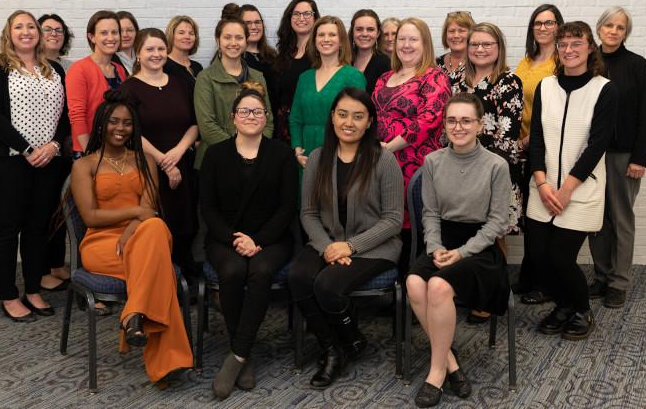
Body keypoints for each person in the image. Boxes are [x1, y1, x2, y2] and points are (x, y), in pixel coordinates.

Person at [72, 90, 193, 384]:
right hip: (101, 245)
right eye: (113, 121)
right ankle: (167, 359)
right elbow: (90, 217)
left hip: (142, 237)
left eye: (127, 123)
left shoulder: (144, 160)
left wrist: (133, 226)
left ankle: (133, 316)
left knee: (153, 229)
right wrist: (136, 213)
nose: (120, 128)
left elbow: (150, 210)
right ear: (101, 124)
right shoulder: (84, 165)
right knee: (160, 266)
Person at [288, 88, 404, 389]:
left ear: (369, 122)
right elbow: (309, 213)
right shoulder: (317, 158)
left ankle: (341, 347)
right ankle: (338, 345)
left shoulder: (383, 159)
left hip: (374, 247)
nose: (348, 122)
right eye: (342, 114)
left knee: (327, 285)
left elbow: (393, 220)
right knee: (299, 277)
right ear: (332, 117)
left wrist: (350, 246)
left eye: (357, 116)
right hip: (326, 241)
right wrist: (329, 248)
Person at [406, 92, 512, 408]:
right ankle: (451, 360)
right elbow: (431, 213)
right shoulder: (433, 162)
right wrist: (436, 247)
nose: (459, 126)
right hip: (443, 241)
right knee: (413, 283)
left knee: (437, 286)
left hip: (480, 249)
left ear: (480, 125)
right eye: (452, 120)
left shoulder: (497, 165)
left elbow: (497, 223)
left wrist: (462, 252)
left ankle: (436, 372)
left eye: (466, 120)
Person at [200, 83, 297, 399]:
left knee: (259, 271)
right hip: (223, 238)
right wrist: (234, 239)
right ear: (233, 118)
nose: (251, 116)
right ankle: (241, 350)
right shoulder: (215, 155)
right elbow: (208, 208)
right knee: (231, 272)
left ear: (266, 117)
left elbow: (287, 207)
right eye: (245, 111)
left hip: (272, 239)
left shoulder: (281, 154)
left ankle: (238, 354)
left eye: (258, 111)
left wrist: (257, 240)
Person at [0, 10, 70, 321]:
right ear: (9, 33)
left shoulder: (54, 69)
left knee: (37, 229)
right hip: (7, 162)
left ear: (39, 34)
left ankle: (32, 289)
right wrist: (28, 148)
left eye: (31, 26)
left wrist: (54, 146)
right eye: (19, 26)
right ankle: (7, 294)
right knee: (7, 229)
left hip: (48, 162)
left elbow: (67, 115)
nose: (26, 31)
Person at [527, 21, 617, 341]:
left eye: (576, 44)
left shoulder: (604, 89)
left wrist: (566, 191)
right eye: (563, 44)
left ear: (590, 47)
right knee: (538, 257)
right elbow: (536, 140)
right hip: (543, 186)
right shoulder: (546, 87)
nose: (568, 50)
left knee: (560, 257)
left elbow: (597, 146)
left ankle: (581, 309)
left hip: (581, 189)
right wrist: (542, 184)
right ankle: (564, 305)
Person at [452, 22, 524, 323]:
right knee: (467, 231)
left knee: (494, 234)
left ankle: (493, 297)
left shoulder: (508, 81)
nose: (480, 49)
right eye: (475, 44)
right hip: (457, 168)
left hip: (495, 169)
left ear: (498, 48)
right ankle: (469, 289)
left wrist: (481, 172)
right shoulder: (457, 79)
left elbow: (508, 133)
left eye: (487, 44)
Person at [588, 7, 646, 309]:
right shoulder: (589, 64)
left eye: (620, 27)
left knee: (621, 218)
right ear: (599, 28)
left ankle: (619, 282)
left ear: (625, 33)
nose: (614, 31)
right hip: (592, 154)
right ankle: (601, 276)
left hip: (623, 155)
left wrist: (640, 158)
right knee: (595, 219)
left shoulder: (637, 65)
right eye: (609, 25)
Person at [372, 17, 451, 274]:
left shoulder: (434, 76)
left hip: (415, 165)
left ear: (425, 43)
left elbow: (428, 119)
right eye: (401, 39)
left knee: (415, 227)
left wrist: (389, 148)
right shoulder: (384, 77)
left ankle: (416, 290)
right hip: (381, 163)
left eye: (413, 39)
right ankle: (391, 286)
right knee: (386, 222)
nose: (406, 45)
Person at [119, 28, 199, 277]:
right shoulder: (129, 89)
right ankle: (160, 283)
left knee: (186, 227)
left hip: (183, 163)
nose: (156, 54)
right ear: (138, 54)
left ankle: (184, 286)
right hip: (149, 169)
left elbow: (195, 124)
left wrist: (178, 151)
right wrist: (164, 161)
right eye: (150, 49)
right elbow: (130, 131)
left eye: (161, 49)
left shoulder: (179, 83)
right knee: (157, 226)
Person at [513, 4, 564, 305]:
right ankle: (529, 275)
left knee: (542, 216)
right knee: (530, 216)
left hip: (543, 145)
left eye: (549, 22)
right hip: (521, 148)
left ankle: (545, 283)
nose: (543, 28)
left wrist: (531, 137)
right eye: (538, 23)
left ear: (559, 26)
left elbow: (556, 108)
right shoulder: (526, 61)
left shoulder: (561, 61)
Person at [193, 16, 273, 169]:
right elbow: (207, 126)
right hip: (216, 161)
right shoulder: (206, 78)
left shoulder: (258, 77)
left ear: (246, 41)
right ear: (218, 41)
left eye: (239, 38)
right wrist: (238, 153)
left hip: (255, 161)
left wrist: (257, 151)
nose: (234, 43)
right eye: (227, 37)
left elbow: (267, 120)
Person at [290, 16, 366, 170]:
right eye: (321, 35)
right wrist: (297, 150)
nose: (326, 39)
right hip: (306, 154)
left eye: (332, 35)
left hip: (341, 151)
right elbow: (295, 118)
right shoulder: (305, 77)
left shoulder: (353, 76)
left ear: (341, 41)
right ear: (314, 40)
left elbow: (360, 119)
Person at [37, 12, 75, 291]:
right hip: (40, 150)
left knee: (60, 209)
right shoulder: (30, 66)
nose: (53, 34)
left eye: (58, 30)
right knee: (42, 211)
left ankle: (56, 263)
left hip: (63, 146)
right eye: (47, 29)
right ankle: (41, 271)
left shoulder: (68, 66)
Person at [65, 10, 126, 155]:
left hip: (115, 148)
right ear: (92, 37)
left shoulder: (119, 70)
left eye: (114, 32)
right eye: (104, 33)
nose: (110, 38)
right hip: (89, 149)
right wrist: (89, 152)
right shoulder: (79, 69)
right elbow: (77, 115)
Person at [274, 0, 320, 142]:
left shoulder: (320, 54)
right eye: (296, 14)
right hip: (283, 127)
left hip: (308, 124)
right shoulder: (284, 53)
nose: (301, 18)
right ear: (289, 18)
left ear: (315, 18)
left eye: (307, 14)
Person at [237, 3, 279, 113]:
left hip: (273, 122)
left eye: (257, 22)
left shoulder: (273, 56)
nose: (254, 27)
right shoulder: (235, 58)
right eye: (248, 23)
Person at [348, 9, 391, 95]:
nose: (364, 34)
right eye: (359, 29)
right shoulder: (343, 60)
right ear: (353, 32)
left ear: (378, 33)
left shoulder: (385, 63)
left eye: (370, 29)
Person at [164, 15, 203, 88]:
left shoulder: (198, 67)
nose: (187, 37)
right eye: (181, 33)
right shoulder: (163, 65)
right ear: (171, 35)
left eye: (191, 33)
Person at [436, 11, 475, 82]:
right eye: (451, 31)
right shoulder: (435, 64)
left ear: (471, 33)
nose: (456, 35)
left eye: (461, 31)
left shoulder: (477, 63)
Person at [112, 10, 139, 76]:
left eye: (130, 30)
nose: (125, 35)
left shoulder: (144, 54)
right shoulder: (109, 60)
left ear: (136, 32)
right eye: (120, 31)